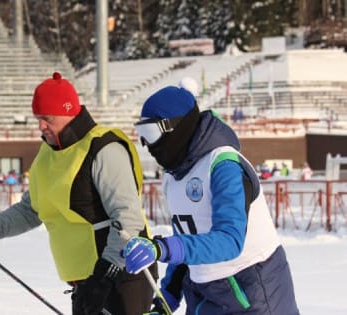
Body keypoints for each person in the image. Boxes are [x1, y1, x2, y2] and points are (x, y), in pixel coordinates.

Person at [0, 72, 156, 315]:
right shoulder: (48, 154)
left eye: (46, 118)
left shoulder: (104, 149)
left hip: (121, 278)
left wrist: (105, 275)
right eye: (38, 118)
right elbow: (32, 209)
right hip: (87, 282)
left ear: (68, 111)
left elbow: (128, 218)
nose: (40, 125)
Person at [121, 86, 299, 315]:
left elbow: (229, 240)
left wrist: (161, 248)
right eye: (141, 135)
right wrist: (167, 299)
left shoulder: (224, 166)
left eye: (151, 133)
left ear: (175, 127)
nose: (147, 145)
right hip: (205, 295)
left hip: (252, 292)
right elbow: (185, 242)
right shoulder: (173, 176)